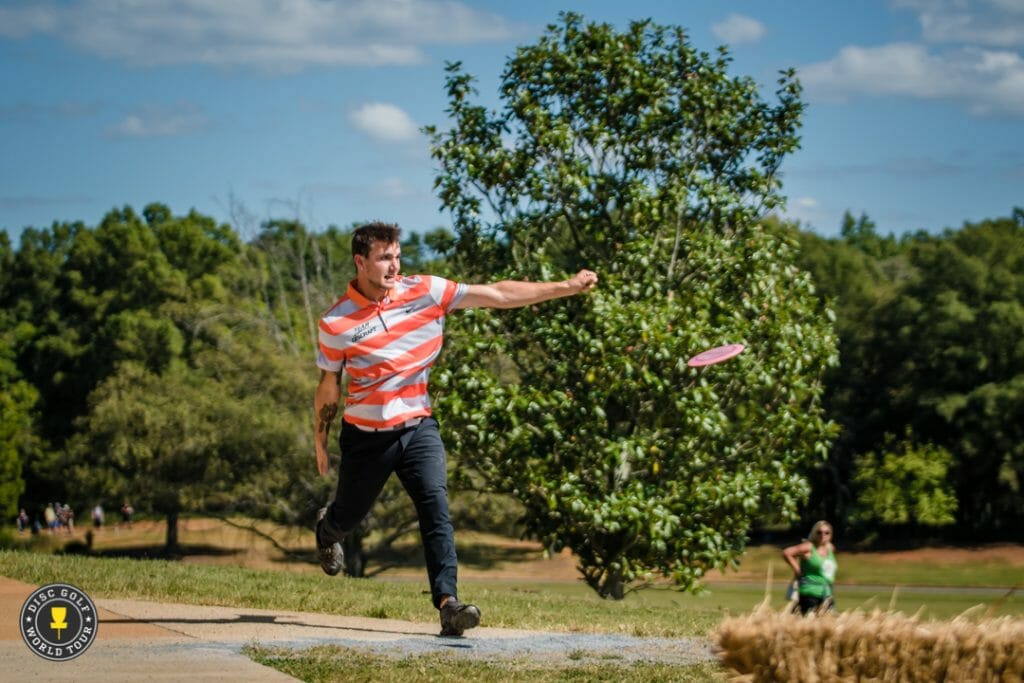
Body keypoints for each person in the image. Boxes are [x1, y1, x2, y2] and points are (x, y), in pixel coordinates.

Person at [314, 221, 598, 637]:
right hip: (366, 437)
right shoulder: (336, 322)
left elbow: (498, 294)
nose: (394, 266)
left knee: (435, 508)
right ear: (360, 262)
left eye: (397, 256)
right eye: (383, 258)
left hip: (417, 427)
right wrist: (320, 441)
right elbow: (328, 387)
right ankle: (327, 530)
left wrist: (566, 286)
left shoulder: (426, 291)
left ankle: (449, 605)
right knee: (349, 513)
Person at [783, 520, 838, 615]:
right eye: (819, 532)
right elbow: (787, 553)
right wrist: (797, 570)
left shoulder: (830, 548)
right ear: (814, 533)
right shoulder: (809, 547)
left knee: (829, 624)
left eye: (826, 533)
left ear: (830, 534)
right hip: (809, 593)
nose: (823, 535)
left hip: (827, 593)